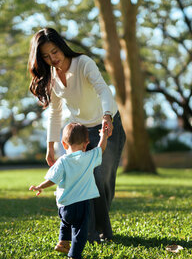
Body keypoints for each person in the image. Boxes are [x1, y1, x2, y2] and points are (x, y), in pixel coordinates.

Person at [28, 27, 126, 242]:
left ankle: (101, 232)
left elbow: (103, 90)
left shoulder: (83, 63)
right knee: (83, 180)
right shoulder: (52, 77)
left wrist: (107, 116)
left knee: (102, 181)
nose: (52, 58)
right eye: (45, 56)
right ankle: (88, 231)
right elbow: (55, 112)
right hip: (81, 132)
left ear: (62, 46)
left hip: (108, 126)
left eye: (54, 52)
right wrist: (50, 145)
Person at [29, 122, 109, 259]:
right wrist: (104, 136)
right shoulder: (89, 157)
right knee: (80, 231)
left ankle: (63, 242)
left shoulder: (62, 161)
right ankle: (75, 255)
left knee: (65, 223)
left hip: (64, 206)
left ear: (64, 144)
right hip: (81, 204)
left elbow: (52, 179)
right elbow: (101, 149)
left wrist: (40, 186)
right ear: (86, 144)